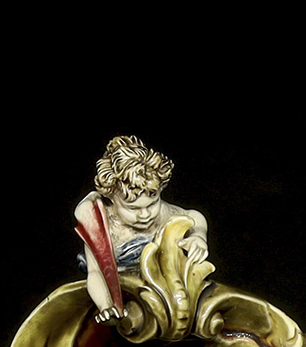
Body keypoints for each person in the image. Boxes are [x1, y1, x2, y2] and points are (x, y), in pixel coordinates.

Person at [73, 135, 208, 319]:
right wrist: (106, 306)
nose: (144, 214)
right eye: (133, 208)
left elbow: (194, 217)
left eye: (152, 204)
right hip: (125, 296)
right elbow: (96, 272)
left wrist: (198, 237)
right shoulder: (101, 228)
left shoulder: (165, 213)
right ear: (111, 196)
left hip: (167, 294)